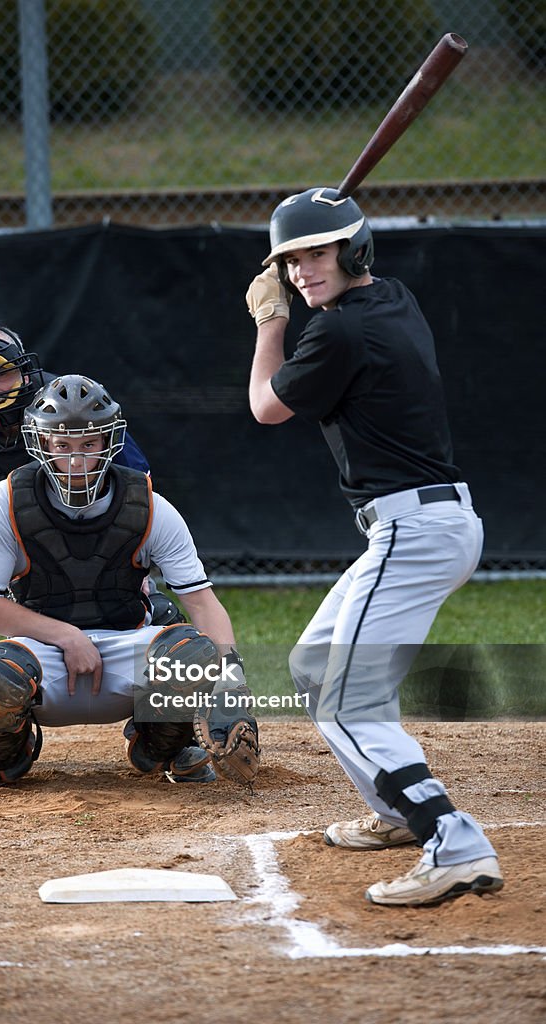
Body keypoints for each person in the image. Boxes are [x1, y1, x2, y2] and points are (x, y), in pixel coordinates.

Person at [245, 186, 503, 907]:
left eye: (316, 254)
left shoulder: (336, 332)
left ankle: (452, 841)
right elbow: (334, 310)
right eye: (290, 261)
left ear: (354, 250)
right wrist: (306, 260)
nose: (300, 271)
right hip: (432, 525)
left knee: (345, 699)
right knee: (309, 666)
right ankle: (397, 814)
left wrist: (270, 321)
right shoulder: (391, 297)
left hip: (413, 532)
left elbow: (265, 406)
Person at [0, 373, 258, 791]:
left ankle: (159, 748)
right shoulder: (7, 499)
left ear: (109, 442)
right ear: (40, 443)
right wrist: (66, 636)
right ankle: (3, 759)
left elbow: (202, 603)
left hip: (126, 644)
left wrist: (233, 688)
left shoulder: (150, 506)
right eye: (62, 445)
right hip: (44, 654)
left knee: (195, 656)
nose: (75, 460)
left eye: (89, 444)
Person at [0, 321, 180, 779]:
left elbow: (136, 500)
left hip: (99, 543)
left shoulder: (75, 405)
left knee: (162, 618)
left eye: (0, 374)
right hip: (3, 549)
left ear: (25, 374)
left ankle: (159, 730)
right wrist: (21, 568)